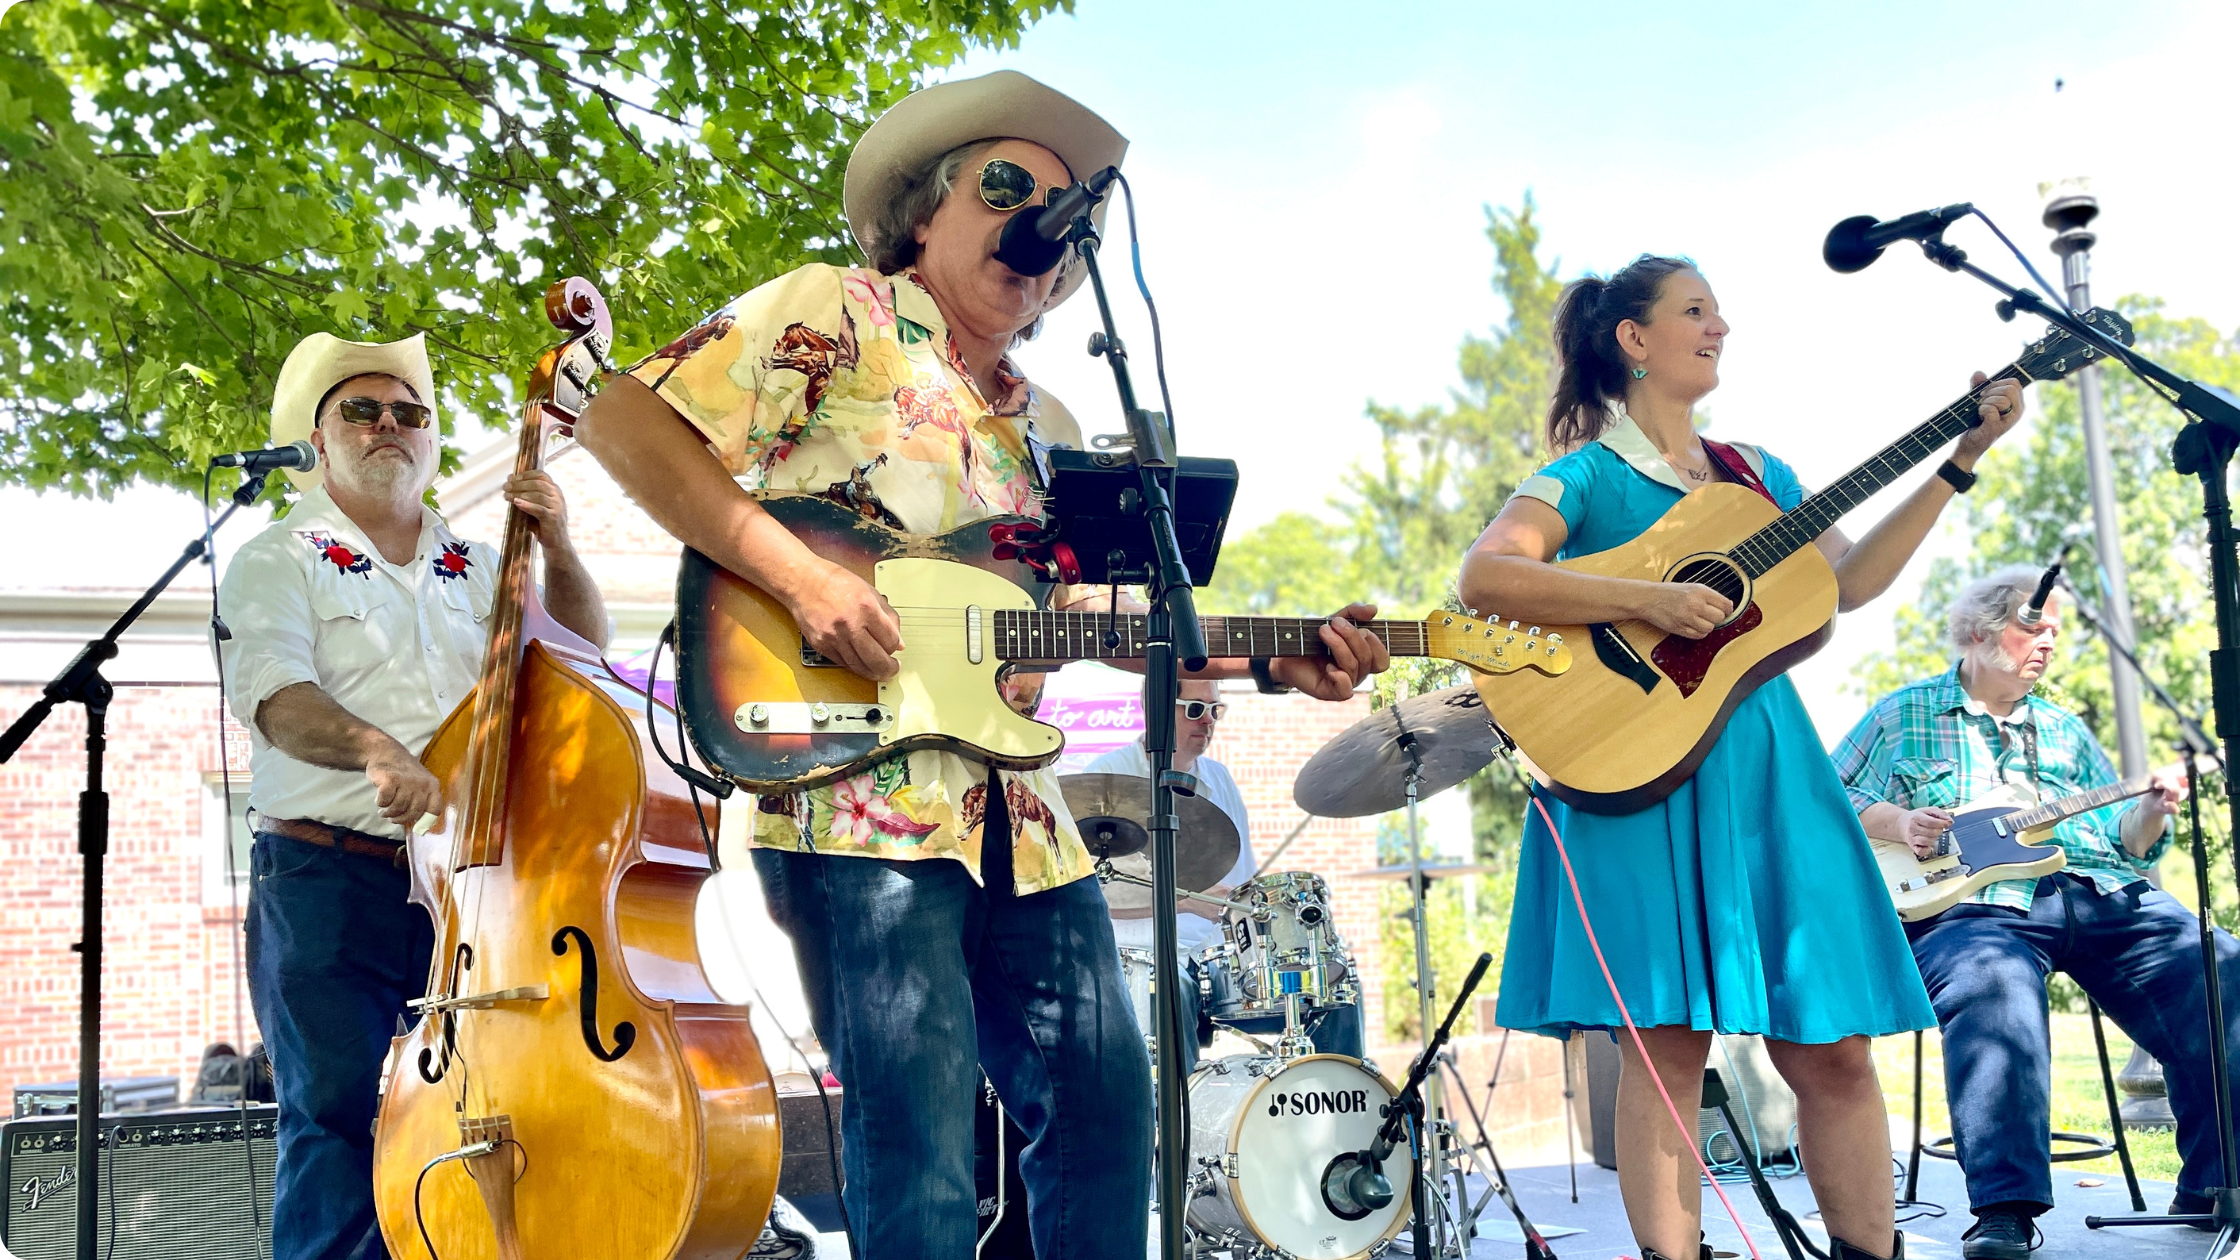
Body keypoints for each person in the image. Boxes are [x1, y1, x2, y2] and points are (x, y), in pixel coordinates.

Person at [573, 70, 1387, 1258]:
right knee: (919, 1149)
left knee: (1112, 1108)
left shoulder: (1045, 425)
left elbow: (1077, 633)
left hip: (1020, 812)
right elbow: (622, 421)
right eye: (1008, 189)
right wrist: (802, 579)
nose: (1042, 231)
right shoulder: (837, 311)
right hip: (856, 801)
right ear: (921, 213)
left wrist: (1276, 664)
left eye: (1070, 221)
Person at [1456, 256, 2025, 1260]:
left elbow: (1846, 582)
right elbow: (1489, 575)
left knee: (1833, 1048)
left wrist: (1956, 461)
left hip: (1767, 767)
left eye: (1717, 311)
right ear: (1632, 340)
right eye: (1694, 311)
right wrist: (1646, 597)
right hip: (1641, 764)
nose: (1719, 326)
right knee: (1666, 1047)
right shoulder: (1583, 474)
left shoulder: (1756, 476)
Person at [218, 332, 605, 1260]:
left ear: (430, 442)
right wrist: (376, 750)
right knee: (337, 1121)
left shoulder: (484, 559)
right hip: (325, 876)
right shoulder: (278, 557)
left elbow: (581, 662)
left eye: (409, 413)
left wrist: (558, 547)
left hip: (477, 886)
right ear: (318, 439)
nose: (389, 424)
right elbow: (275, 697)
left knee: (500, 1107)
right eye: (362, 409)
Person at [1834, 566, 2205, 1258]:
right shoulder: (1902, 715)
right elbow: (1823, 798)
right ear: (1979, 632)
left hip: (2094, 892)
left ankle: (2215, 1185)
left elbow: (2124, 839)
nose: (2050, 642)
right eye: (2034, 626)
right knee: (1993, 984)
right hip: (1970, 910)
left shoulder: (2064, 729)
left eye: (2058, 631)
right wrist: (1897, 819)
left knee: (2218, 967)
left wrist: (2152, 807)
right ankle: (2005, 1212)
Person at [1088, 677, 1366, 1072]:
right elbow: (1096, 892)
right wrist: (1183, 900)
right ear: (1156, 710)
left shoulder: (1219, 781)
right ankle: (1178, 1130)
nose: (1208, 721)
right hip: (1146, 963)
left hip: (1219, 964)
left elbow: (1242, 886)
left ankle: (1333, 1113)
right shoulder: (1106, 777)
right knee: (1169, 990)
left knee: (1334, 990)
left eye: (1215, 709)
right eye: (1195, 709)